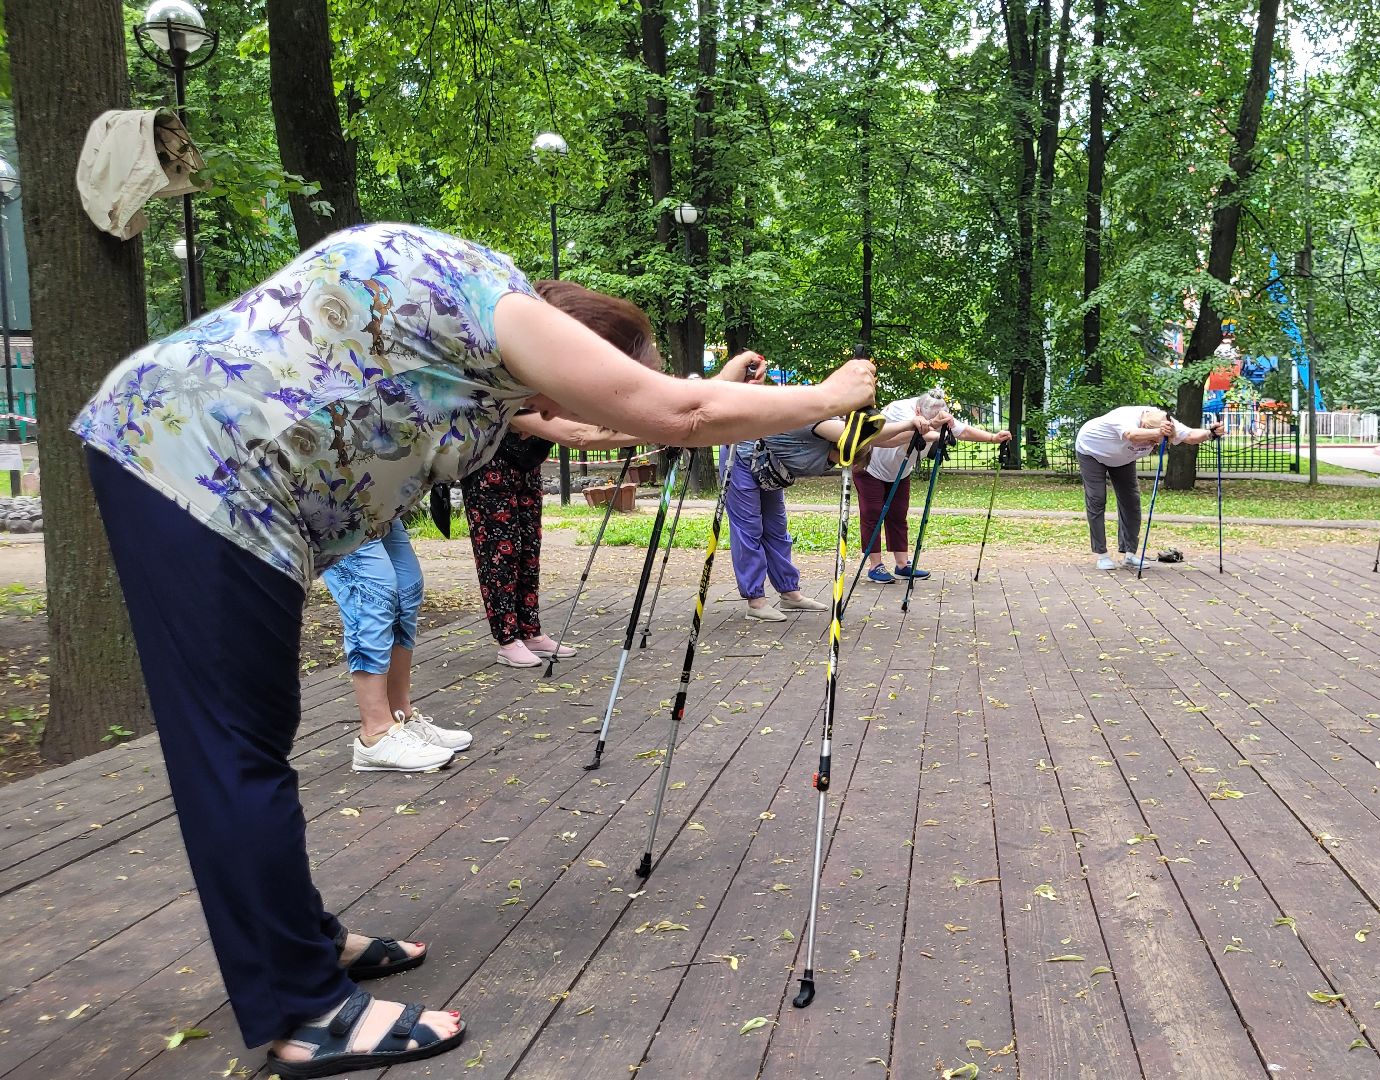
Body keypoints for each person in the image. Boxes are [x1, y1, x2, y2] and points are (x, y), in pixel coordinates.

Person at [74, 222, 874, 1078]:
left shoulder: (477, 351)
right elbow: (674, 414)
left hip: (199, 452)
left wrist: (702, 393)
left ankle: (301, 939)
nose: (582, 411)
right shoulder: (503, 313)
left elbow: (628, 422)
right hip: (194, 463)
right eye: (601, 382)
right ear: (576, 351)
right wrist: (826, 397)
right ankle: (303, 1008)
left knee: (255, 741)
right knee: (235, 753)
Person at [462, 282, 657, 668]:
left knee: (529, 548)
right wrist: (663, 428)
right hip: (489, 468)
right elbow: (578, 434)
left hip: (525, 468)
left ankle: (530, 630)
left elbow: (595, 421)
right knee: (499, 552)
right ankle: (507, 638)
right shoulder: (510, 394)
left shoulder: (544, 385)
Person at [728, 382, 935, 621]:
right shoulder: (821, 422)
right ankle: (755, 601)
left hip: (772, 470)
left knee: (776, 530)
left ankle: (789, 592)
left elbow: (881, 440)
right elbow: (864, 435)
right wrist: (910, 422)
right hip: (744, 457)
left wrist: (921, 428)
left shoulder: (841, 436)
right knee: (749, 529)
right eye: (845, 460)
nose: (845, 464)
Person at [321, 523, 470, 772]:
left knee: (406, 588)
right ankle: (375, 735)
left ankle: (400, 717)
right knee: (370, 591)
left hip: (375, 495)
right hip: (334, 495)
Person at [858, 389, 1011, 584]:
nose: (934, 421)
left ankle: (902, 565)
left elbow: (961, 431)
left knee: (898, 514)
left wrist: (992, 437)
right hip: (871, 466)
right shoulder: (901, 409)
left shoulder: (937, 411)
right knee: (873, 514)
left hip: (900, 470)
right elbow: (893, 438)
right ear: (919, 411)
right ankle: (875, 565)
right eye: (930, 418)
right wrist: (933, 432)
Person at [1073, 405, 1221, 570]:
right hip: (1092, 451)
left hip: (1122, 459)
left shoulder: (1165, 422)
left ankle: (1130, 555)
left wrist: (1210, 433)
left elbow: (1191, 436)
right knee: (1097, 498)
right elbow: (1131, 434)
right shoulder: (1124, 417)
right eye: (1151, 442)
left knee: (1131, 501)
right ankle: (1102, 555)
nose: (1153, 445)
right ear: (1144, 427)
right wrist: (1157, 434)